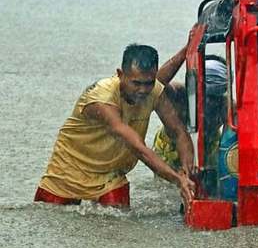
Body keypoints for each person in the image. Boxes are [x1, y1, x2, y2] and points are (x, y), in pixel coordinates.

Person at [35, 45, 196, 209]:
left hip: (111, 176)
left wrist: (186, 172)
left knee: (120, 225)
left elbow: (179, 132)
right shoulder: (102, 99)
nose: (143, 90)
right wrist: (177, 179)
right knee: (50, 218)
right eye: (136, 83)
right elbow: (138, 148)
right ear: (120, 75)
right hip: (68, 170)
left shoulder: (154, 92)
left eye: (149, 83)